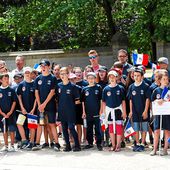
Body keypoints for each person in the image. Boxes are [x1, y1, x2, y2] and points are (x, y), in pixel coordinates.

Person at [33, 59, 60, 151]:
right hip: (40, 107)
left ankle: (56, 143)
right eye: (42, 66)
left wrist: (44, 104)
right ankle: (37, 143)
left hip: (50, 106)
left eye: (45, 66)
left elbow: (52, 92)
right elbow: (36, 92)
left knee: (52, 124)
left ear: (49, 67)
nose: (43, 67)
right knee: (40, 125)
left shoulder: (52, 78)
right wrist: (40, 105)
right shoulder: (38, 78)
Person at [56, 67, 81, 152]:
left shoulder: (73, 86)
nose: (63, 76)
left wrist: (73, 108)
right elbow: (57, 99)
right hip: (62, 111)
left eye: (64, 74)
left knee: (71, 127)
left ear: (68, 74)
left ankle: (77, 145)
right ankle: (68, 145)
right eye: (61, 74)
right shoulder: (58, 86)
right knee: (64, 129)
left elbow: (77, 101)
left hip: (71, 111)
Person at [127, 68, 151, 152]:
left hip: (143, 110)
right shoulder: (131, 86)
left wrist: (145, 111)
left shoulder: (145, 86)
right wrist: (130, 111)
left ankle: (142, 143)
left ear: (142, 76)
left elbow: (148, 99)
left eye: (138, 76)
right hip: (135, 111)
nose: (136, 77)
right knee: (136, 127)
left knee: (144, 127)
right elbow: (130, 100)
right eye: (135, 76)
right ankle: (137, 143)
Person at [102, 70, 126, 151]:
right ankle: (113, 144)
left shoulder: (120, 88)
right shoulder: (106, 89)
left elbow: (123, 101)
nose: (112, 78)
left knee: (119, 127)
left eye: (113, 77)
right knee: (111, 128)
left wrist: (124, 112)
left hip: (118, 110)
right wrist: (103, 112)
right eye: (110, 77)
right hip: (109, 111)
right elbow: (104, 102)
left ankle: (118, 145)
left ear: (116, 77)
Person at [16, 67, 37, 150]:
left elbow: (36, 98)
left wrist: (33, 109)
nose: (27, 74)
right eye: (26, 73)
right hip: (23, 110)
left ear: (31, 74)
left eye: (29, 73)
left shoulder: (34, 84)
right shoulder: (21, 84)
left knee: (32, 126)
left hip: (32, 110)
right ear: (24, 74)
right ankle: (24, 140)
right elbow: (19, 97)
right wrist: (22, 107)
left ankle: (32, 142)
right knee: (19, 123)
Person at [150, 71, 170, 156]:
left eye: (167, 79)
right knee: (156, 131)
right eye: (163, 79)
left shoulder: (169, 91)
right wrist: (157, 101)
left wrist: (165, 100)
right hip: (158, 114)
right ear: (160, 80)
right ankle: (155, 149)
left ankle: (165, 149)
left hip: (167, 114)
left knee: (167, 132)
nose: (165, 81)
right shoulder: (156, 90)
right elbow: (152, 101)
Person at [81, 72, 103, 151]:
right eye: (89, 78)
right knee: (89, 129)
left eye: (92, 78)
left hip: (97, 112)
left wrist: (101, 110)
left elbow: (101, 100)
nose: (91, 80)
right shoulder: (84, 89)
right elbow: (83, 101)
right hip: (88, 113)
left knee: (97, 129)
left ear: (95, 79)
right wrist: (83, 112)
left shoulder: (98, 87)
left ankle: (99, 143)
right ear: (87, 79)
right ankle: (90, 143)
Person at [0, 73, 17, 152]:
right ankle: (6, 145)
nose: (7, 80)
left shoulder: (11, 90)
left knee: (12, 129)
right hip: (2, 114)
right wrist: (2, 113)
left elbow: (14, 102)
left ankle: (12, 145)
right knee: (4, 130)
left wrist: (10, 112)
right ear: (1, 80)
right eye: (5, 79)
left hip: (11, 113)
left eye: (7, 78)